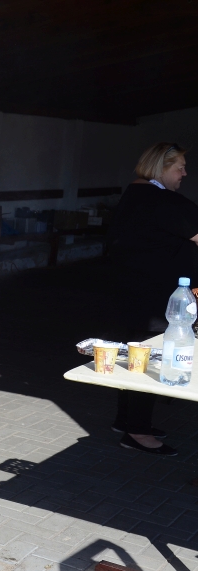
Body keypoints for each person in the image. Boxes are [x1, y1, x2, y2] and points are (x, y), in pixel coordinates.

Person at [107, 143, 192, 456]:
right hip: (154, 298)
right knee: (149, 359)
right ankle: (138, 432)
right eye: (179, 167)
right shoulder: (162, 200)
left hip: (131, 292)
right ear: (161, 167)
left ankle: (126, 421)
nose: (184, 173)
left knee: (135, 356)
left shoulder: (135, 194)